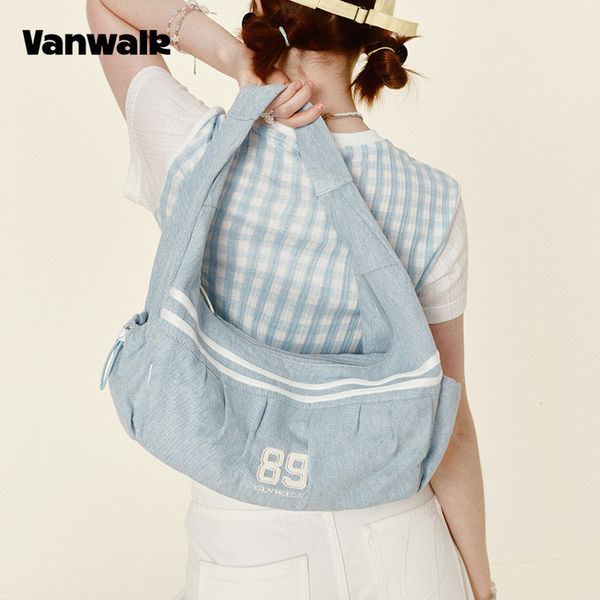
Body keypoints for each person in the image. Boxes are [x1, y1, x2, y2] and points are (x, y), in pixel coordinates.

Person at [86, 1, 495, 598]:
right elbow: (448, 421)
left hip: (249, 545)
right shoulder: (434, 201)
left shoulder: (193, 149)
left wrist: (234, 58)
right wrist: (480, 582)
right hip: (402, 538)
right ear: (370, 35)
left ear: (262, 12)